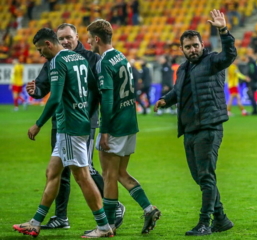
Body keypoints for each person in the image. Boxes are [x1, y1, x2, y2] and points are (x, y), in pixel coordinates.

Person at [13, 28, 114, 238]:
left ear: (49, 44)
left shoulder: (57, 62)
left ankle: (103, 226)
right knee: (52, 173)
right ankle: (35, 222)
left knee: (83, 177)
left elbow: (55, 98)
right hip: (76, 123)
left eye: (41, 49)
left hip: (69, 127)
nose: (41, 54)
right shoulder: (78, 58)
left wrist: (38, 124)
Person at [154, 9, 235, 236]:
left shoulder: (212, 62)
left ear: (202, 45)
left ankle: (204, 222)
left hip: (209, 127)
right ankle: (221, 219)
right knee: (200, 177)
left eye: (196, 45)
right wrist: (165, 100)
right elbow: (179, 92)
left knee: (206, 176)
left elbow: (229, 54)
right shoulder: (182, 69)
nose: (193, 50)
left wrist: (223, 30)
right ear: (182, 49)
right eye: (188, 47)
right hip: (189, 129)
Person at [86, 19, 161, 235]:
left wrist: (105, 131)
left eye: (90, 37)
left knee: (109, 174)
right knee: (120, 172)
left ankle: (107, 226)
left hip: (116, 124)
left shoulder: (103, 62)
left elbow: (107, 100)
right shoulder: (120, 55)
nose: (88, 41)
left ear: (97, 38)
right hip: (130, 122)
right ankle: (148, 208)